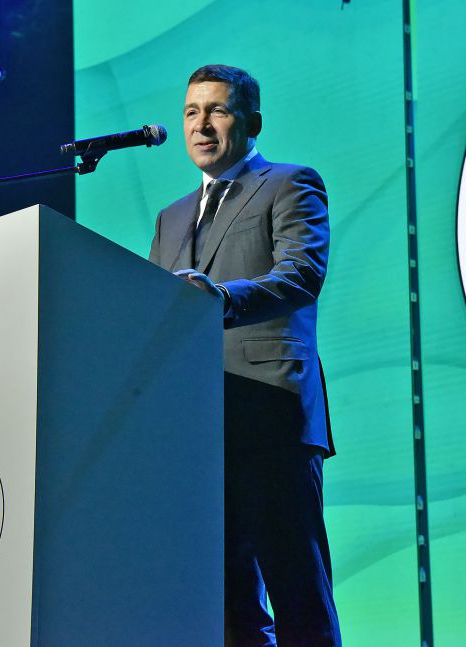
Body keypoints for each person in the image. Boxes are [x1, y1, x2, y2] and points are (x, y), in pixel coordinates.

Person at [148, 65, 341, 646]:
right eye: (191, 112)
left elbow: (301, 275)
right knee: (230, 612)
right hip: (198, 432)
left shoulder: (288, 184)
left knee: (298, 595)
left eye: (217, 110)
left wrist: (221, 299)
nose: (201, 125)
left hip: (272, 417)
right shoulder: (170, 218)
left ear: (252, 122)